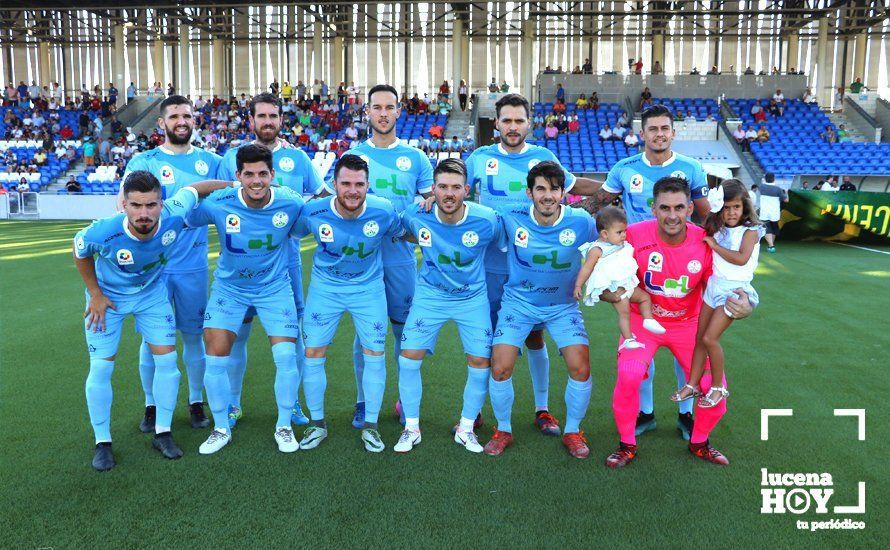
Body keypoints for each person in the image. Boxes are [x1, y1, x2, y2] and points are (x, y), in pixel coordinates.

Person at [460, 94, 600, 437]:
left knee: (536, 338)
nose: (512, 127)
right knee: (488, 344)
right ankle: (476, 410)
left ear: (529, 124)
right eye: (506, 120)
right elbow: (458, 190)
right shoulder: (479, 158)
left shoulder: (543, 157)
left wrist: (613, 188)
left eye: (518, 120)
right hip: (492, 265)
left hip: (534, 266)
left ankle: (542, 409)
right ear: (497, 124)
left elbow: (570, 184)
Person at [73, 171, 231, 470]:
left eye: (151, 205)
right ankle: (103, 442)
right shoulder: (103, 231)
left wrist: (236, 185)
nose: (144, 213)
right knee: (101, 367)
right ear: (123, 205)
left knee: (168, 364)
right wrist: (94, 293)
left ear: (162, 203)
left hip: (151, 296)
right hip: (109, 300)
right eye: (136, 205)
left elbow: (195, 189)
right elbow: (80, 250)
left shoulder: (174, 213)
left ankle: (163, 432)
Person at [572, 104, 710, 441]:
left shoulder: (691, 168)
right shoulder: (624, 168)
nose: (659, 134)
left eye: (665, 128)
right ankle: (645, 413)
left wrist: (696, 252)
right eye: (653, 129)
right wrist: (568, 212)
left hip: (679, 266)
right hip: (635, 267)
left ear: (673, 133)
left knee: (686, 344)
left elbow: (704, 215)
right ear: (642, 134)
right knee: (639, 342)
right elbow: (602, 204)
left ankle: (686, 413)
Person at [605, 176, 753, 469]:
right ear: (653, 208)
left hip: (689, 325)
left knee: (715, 390)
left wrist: (748, 304)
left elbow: (729, 285)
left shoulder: (706, 241)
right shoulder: (632, 236)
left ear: (689, 209)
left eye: (679, 208)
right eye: (665, 208)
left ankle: (699, 442)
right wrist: (610, 293)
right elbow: (605, 278)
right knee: (630, 374)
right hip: (644, 321)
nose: (672, 215)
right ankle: (626, 445)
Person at [217, 93, 329, 428]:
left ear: (282, 119)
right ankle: (233, 404)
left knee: (290, 336)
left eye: (274, 116)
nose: (268, 121)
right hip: (238, 266)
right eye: (261, 116)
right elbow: (221, 197)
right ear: (250, 119)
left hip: (285, 265)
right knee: (237, 334)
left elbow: (323, 197)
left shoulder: (297, 159)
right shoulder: (232, 158)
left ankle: (291, 403)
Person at [187, 144, 306, 455]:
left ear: (273, 175)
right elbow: (184, 206)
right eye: (248, 174)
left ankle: (283, 425)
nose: (256, 181)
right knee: (215, 355)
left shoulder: (291, 203)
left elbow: (321, 217)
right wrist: (223, 185)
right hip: (230, 289)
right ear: (237, 175)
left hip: (274, 289)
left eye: (263, 174)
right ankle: (220, 427)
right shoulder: (220, 202)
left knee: (285, 356)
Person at [121, 95, 223, 432]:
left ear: (195, 121)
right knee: (151, 341)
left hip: (193, 266)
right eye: (175, 116)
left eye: (188, 115)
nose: (182, 121)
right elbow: (124, 206)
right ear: (161, 123)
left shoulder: (212, 162)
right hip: (154, 271)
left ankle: (196, 401)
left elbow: (228, 201)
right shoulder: (143, 161)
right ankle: (151, 405)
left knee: (195, 339)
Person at [483, 161, 596, 458]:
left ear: (563, 193)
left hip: (562, 306)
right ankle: (503, 429)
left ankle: (573, 431)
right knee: (501, 366)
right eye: (541, 189)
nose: (548, 195)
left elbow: (610, 242)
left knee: (580, 367)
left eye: (554, 189)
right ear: (529, 192)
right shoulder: (510, 218)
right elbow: (474, 224)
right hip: (518, 304)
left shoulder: (582, 221)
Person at [393, 159, 505, 454]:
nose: (449, 193)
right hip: (430, 296)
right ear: (433, 190)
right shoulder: (417, 215)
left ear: (467, 190)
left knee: (480, 362)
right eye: (442, 187)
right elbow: (401, 229)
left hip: (472, 298)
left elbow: (504, 245)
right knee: (408, 357)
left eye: (456, 187)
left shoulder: (487, 219)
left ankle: (466, 429)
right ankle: (411, 428)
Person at [340, 84, 433, 429]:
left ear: (398, 112)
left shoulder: (417, 158)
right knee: (365, 334)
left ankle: (404, 401)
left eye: (388, 107)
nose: (382, 113)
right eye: (376, 107)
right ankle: (364, 402)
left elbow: (428, 205)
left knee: (403, 332)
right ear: (367, 112)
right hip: (362, 258)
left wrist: (427, 207)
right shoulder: (352, 156)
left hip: (400, 257)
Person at [296, 155, 403, 453]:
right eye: (346, 183)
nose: (352, 190)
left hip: (368, 290)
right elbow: (288, 232)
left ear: (369, 185)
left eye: (359, 184)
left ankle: (370, 426)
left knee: (374, 353)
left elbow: (404, 231)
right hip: (325, 289)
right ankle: (317, 424)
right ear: (334, 184)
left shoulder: (383, 210)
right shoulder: (313, 211)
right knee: (314, 353)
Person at [672, 179, 763, 412]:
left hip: (734, 290)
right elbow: (703, 230)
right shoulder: (719, 228)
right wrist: (712, 212)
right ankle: (692, 384)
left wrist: (714, 246)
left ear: (745, 207)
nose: (731, 212)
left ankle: (717, 387)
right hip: (713, 287)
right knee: (699, 337)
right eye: (726, 207)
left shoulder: (750, 231)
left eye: (736, 207)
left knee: (710, 339)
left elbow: (741, 258)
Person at [574, 206, 665, 349]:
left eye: (625, 231)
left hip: (627, 284)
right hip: (614, 288)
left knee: (645, 297)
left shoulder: (619, 243)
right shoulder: (597, 249)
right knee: (624, 313)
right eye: (619, 232)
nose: (624, 235)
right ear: (604, 234)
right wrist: (579, 285)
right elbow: (587, 268)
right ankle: (628, 339)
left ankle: (648, 319)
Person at [756, 172, 787, 253]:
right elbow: (786, 200)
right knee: (774, 229)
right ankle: (771, 245)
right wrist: (786, 193)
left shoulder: (761, 187)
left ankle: (771, 245)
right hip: (775, 213)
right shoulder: (778, 189)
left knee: (766, 229)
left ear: (765, 179)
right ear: (774, 179)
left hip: (764, 212)